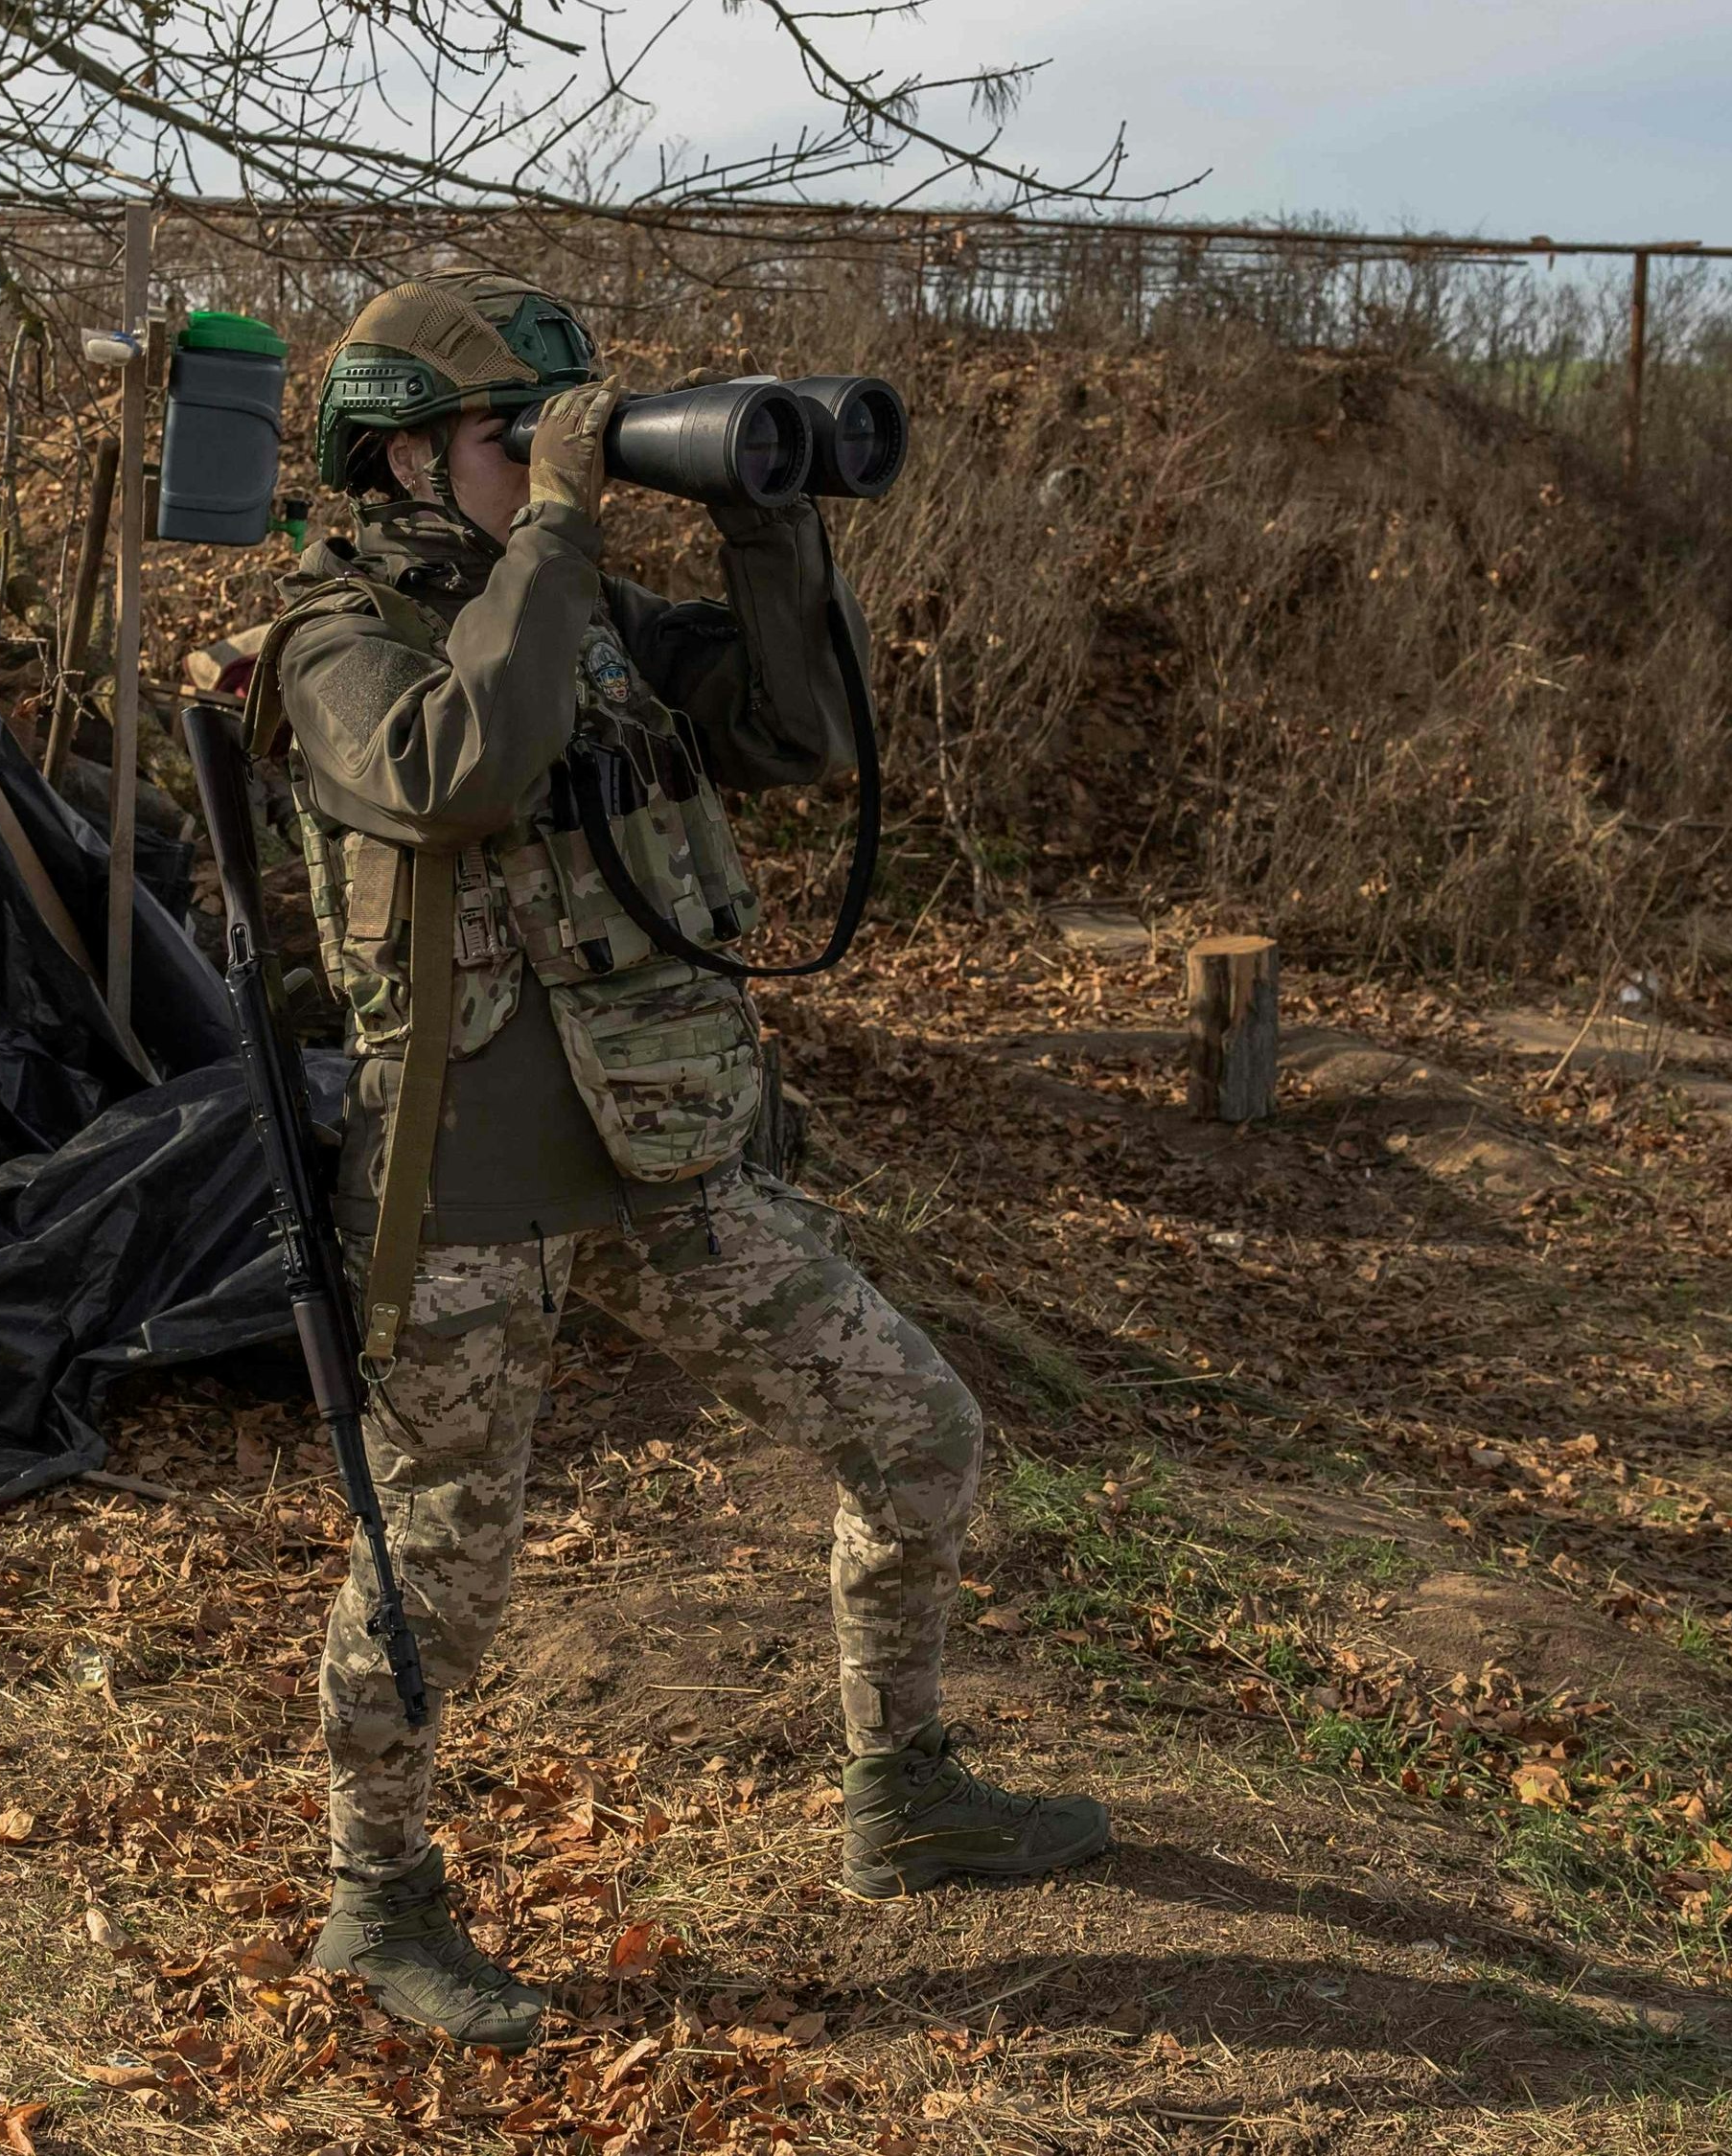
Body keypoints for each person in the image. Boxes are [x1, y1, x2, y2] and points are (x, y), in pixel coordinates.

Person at [254, 270, 1109, 2053]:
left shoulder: (590, 615)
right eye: (514, 435)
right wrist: (558, 530)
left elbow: (799, 735)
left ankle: (906, 1787)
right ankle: (376, 1896)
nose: (550, 458)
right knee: (441, 1569)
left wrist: (768, 531)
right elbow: (458, 767)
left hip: (674, 1153)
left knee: (917, 1427)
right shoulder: (340, 644)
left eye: (559, 432)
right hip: (463, 1181)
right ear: (404, 454)